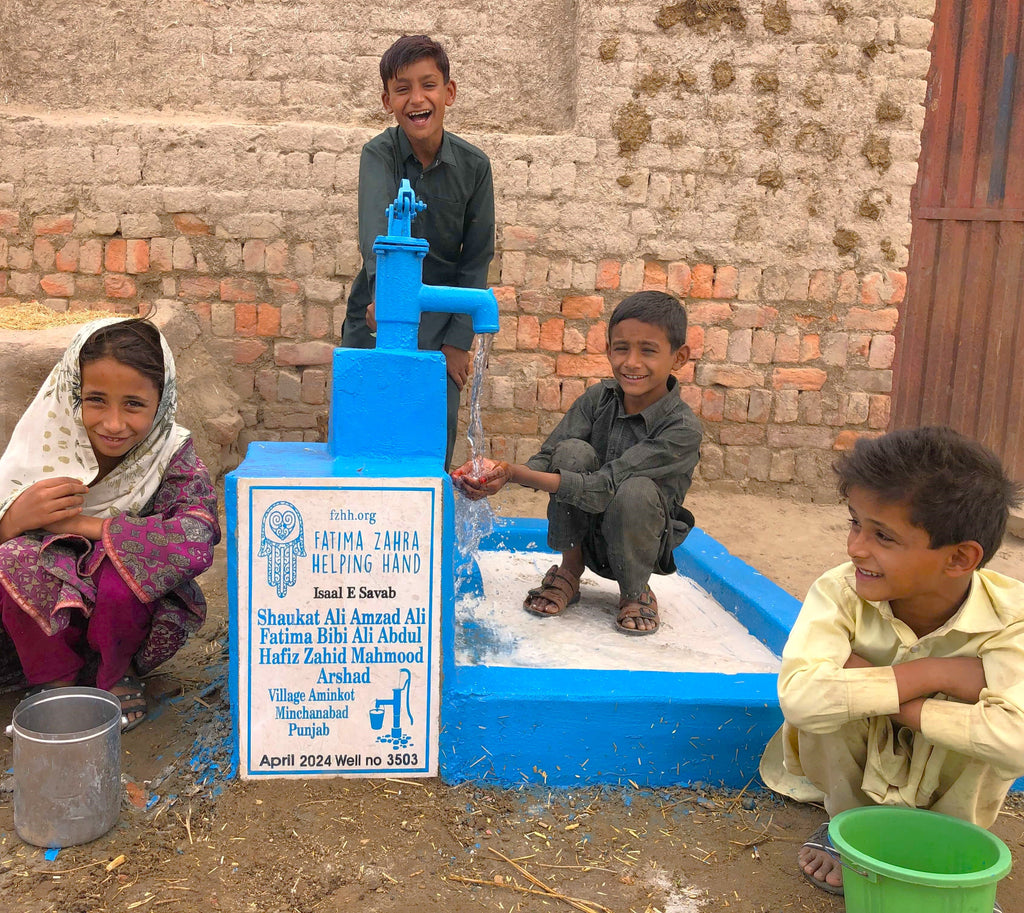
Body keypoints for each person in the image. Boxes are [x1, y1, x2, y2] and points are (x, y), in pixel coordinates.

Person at [759, 426, 1024, 901]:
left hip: (947, 790)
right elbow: (799, 699)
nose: (855, 548)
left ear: (960, 557)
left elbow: (1018, 741)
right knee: (826, 708)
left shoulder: (1010, 620)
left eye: (883, 535)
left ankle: (944, 841)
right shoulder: (839, 592)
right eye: (854, 522)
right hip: (856, 767)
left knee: (992, 735)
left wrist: (881, 687)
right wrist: (935, 676)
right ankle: (848, 824)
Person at [0, 316, 221, 731]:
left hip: (130, 622)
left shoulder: (170, 454)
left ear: (162, 401)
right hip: (48, 625)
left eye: (134, 404)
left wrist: (87, 525)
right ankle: (55, 678)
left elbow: (197, 535)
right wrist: (11, 519)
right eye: (96, 400)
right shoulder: (44, 443)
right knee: (11, 557)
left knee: (123, 572)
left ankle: (113, 673)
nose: (114, 423)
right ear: (72, 393)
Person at [452, 291, 702, 635]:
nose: (631, 362)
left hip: (639, 541)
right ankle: (570, 571)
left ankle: (635, 592)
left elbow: (607, 485)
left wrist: (515, 474)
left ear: (679, 357)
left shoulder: (681, 428)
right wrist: (497, 473)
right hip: (585, 533)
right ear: (608, 348)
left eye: (648, 350)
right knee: (571, 452)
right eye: (621, 348)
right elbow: (548, 455)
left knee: (635, 491)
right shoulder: (599, 398)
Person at [342, 34, 495, 470]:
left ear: (448, 93)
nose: (416, 98)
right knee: (365, 432)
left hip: (442, 318)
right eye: (402, 88)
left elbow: (476, 257)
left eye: (427, 85)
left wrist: (458, 341)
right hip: (377, 311)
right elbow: (376, 237)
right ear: (387, 100)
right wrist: (383, 300)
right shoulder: (379, 155)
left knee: (433, 436)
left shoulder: (474, 167)